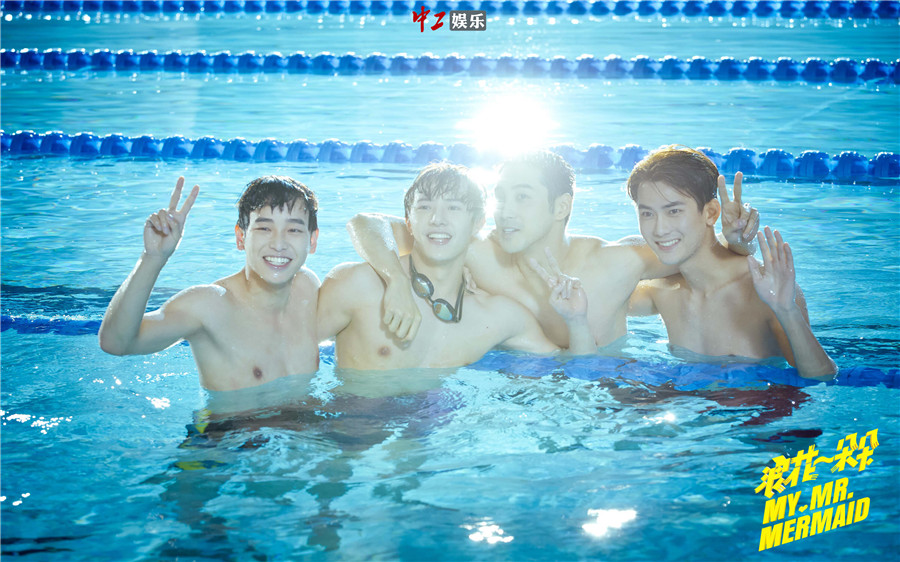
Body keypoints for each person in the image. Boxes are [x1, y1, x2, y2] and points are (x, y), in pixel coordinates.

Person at [346, 150, 759, 349]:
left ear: (561, 207)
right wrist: (396, 280)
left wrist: (738, 242)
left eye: (522, 197)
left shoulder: (618, 263)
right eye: (500, 197)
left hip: (607, 403)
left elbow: (694, 251)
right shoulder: (478, 253)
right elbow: (367, 223)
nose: (505, 211)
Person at [317, 162, 594, 370]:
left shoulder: (497, 316)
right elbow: (292, 350)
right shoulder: (357, 286)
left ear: (477, 223)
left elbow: (571, 369)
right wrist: (396, 281)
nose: (437, 219)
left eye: (453, 208)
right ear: (409, 221)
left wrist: (577, 322)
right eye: (424, 207)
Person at [625, 145, 837, 380]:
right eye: (647, 214)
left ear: (711, 213)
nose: (659, 229)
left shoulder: (765, 289)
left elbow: (822, 377)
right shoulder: (660, 291)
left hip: (759, 401)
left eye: (673, 211)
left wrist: (787, 310)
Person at [99, 176, 321, 391]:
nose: (279, 244)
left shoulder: (306, 287)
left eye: (293, 230)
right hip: (234, 418)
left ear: (312, 240)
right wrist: (152, 258)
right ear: (241, 238)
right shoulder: (210, 306)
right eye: (264, 228)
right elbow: (116, 343)